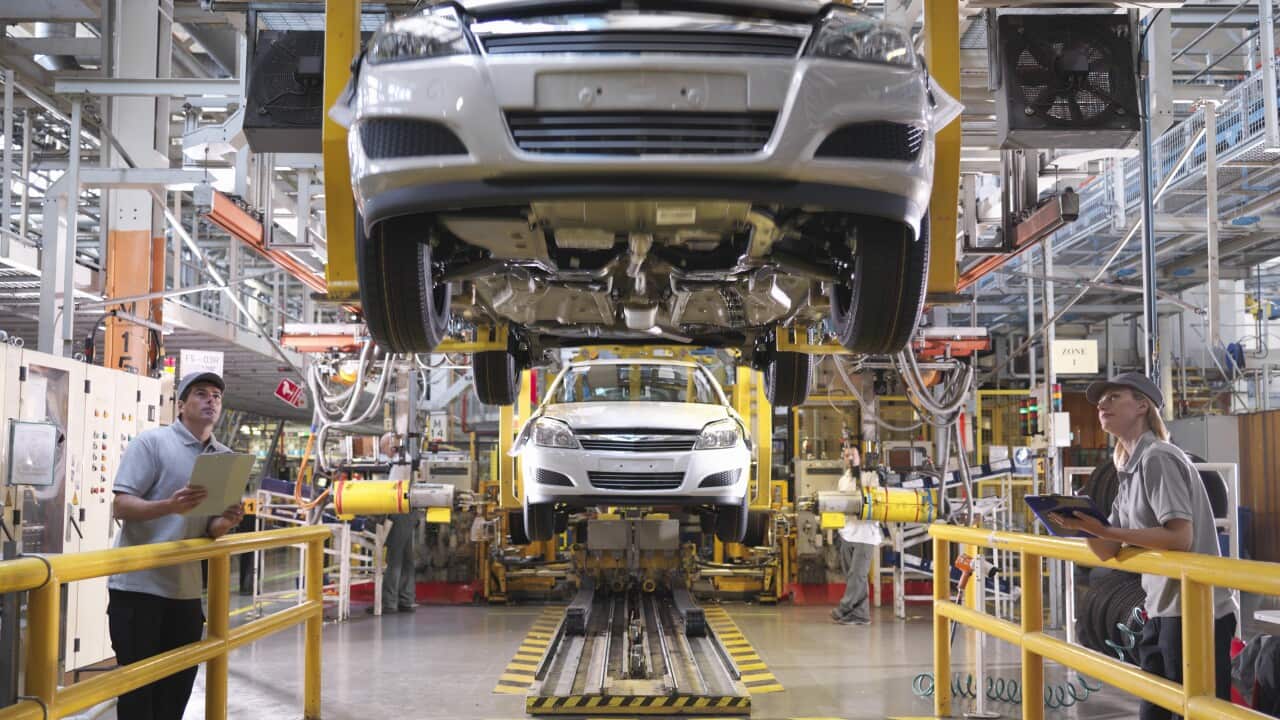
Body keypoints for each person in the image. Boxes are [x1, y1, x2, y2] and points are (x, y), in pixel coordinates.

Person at [1051, 372, 1237, 720]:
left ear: (1141, 405)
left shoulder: (1159, 458)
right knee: (1155, 707)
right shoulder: (1129, 469)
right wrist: (1081, 525)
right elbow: (1108, 552)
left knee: (1197, 712)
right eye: (1100, 401)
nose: (1102, 405)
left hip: (1195, 613)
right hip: (1162, 608)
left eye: (1113, 397)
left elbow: (1179, 537)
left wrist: (1104, 532)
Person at [108, 371, 245, 720]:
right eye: (201, 393)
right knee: (139, 696)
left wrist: (227, 521)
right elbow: (121, 506)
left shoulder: (223, 457)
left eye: (216, 395)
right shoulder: (152, 444)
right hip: (139, 590)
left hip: (185, 593)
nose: (210, 400)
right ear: (181, 405)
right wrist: (169, 505)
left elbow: (209, 529)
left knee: (176, 692)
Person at [832, 445, 881, 626]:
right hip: (847, 533)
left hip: (865, 535)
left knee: (857, 575)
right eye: (846, 455)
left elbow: (875, 500)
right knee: (852, 576)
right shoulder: (843, 480)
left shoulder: (870, 476)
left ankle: (844, 608)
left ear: (860, 456)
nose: (850, 458)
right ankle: (860, 615)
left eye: (853, 454)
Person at [379, 432, 417, 613]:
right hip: (409, 512)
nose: (383, 452)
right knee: (406, 558)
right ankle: (406, 599)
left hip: (400, 512)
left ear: (391, 446)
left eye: (383, 448)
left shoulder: (401, 462)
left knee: (394, 557)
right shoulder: (405, 459)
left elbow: (391, 491)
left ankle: (389, 602)